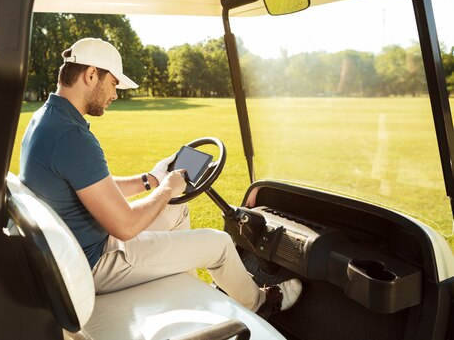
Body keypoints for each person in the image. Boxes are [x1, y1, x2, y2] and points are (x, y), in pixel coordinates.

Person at [19, 37, 302, 315]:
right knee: (221, 244)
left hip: (84, 246)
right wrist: (167, 188)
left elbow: (92, 185)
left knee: (178, 211)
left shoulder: (47, 118)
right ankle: (261, 303)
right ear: (91, 75)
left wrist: (151, 179)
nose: (115, 94)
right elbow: (126, 226)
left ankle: (187, 299)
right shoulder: (73, 136)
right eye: (114, 83)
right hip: (95, 262)